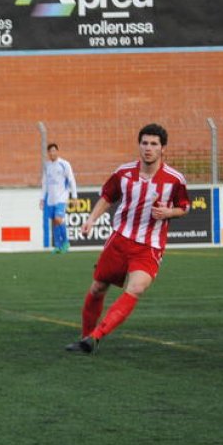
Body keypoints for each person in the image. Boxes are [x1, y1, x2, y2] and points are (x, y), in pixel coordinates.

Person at [65, 123, 189, 354]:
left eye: (154, 144)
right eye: (144, 143)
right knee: (98, 288)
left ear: (163, 149)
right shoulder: (123, 173)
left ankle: (95, 338)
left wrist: (169, 212)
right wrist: (91, 219)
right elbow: (107, 197)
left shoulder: (175, 179)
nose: (148, 148)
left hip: (149, 246)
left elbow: (184, 207)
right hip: (120, 240)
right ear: (139, 145)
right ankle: (85, 336)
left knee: (137, 287)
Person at [40, 143, 78, 253]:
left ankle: (65, 242)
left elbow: (71, 180)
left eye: (54, 150)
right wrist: (42, 198)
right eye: (50, 151)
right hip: (50, 199)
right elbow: (44, 183)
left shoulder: (64, 164)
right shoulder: (47, 166)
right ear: (48, 153)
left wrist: (74, 196)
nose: (52, 153)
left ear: (57, 151)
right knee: (54, 222)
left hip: (61, 197)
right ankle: (58, 246)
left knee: (58, 219)